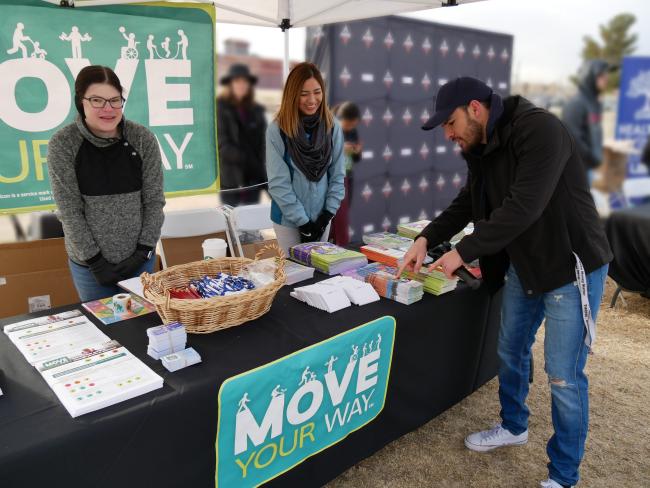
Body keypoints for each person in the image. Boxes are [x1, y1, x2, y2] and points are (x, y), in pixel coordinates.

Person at [397, 77, 612, 488]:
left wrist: (463, 252)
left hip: (569, 267)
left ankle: (564, 475)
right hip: (523, 266)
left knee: (563, 375)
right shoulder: (479, 146)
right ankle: (514, 425)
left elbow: (523, 206)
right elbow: (469, 201)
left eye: (450, 122)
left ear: (475, 108)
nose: (448, 133)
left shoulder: (541, 130)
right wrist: (426, 238)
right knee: (510, 350)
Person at [48, 65, 165, 302]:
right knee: (104, 334)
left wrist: (143, 251)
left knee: (143, 327)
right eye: (97, 100)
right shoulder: (63, 144)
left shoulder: (142, 138)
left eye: (115, 100)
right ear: (81, 102)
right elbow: (70, 211)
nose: (108, 109)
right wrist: (95, 261)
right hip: (90, 268)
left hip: (140, 261)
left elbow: (154, 201)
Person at [266, 62, 345, 255]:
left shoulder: (332, 126)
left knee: (319, 276)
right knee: (295, 274)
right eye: (304, 94)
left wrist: (326, 216)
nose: (312, 100)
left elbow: (337, 176)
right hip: (288, 220)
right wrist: (303, 222)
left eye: (317, 92)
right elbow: (278, 183)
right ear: (293, 95)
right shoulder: (278, 129)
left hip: (321, 218)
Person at [217, 64, 267, 207]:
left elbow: (264, 142)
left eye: (245, 81)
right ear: (230, 83)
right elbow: (222, 145)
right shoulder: (220, 108)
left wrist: (261, 167)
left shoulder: (257, 110)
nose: (242, 85)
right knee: (232, 223)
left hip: (254, 180)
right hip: (231, 180)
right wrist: (248, 160)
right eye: (237, 81)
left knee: (251, 223)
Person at [562, 59, 615, 184]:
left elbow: (593, 132)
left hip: (587, 169)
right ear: (590, 76)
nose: (606, 78)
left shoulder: (593, 103)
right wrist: (592, 157)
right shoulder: (576, 104)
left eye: (606, 74)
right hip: (575, 172)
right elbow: (573, 140)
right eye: (602, 75)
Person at [330, 102, 362, 246]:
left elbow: (356, 158)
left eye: (353, 125)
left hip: (347, 176)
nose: (351, 128)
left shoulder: (353, 131)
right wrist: (340, 149)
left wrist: (356, 151)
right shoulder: (331, 128)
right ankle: (333, 244)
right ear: (342, 118)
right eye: (349, 125)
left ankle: (339, 245)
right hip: (332, 177)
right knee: (334, 216)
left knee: (343, 215)